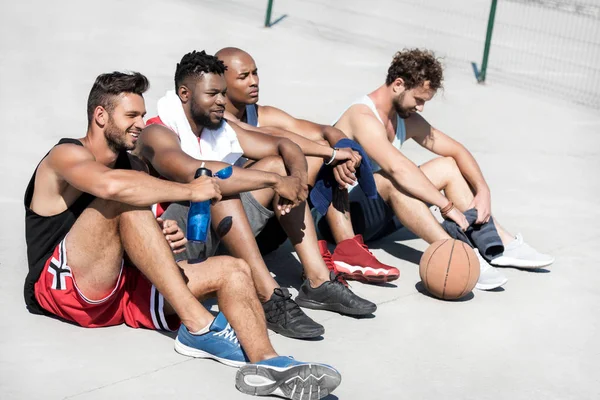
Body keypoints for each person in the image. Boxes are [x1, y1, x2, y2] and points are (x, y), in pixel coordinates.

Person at [23, 71, 341, 398]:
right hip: (62, 288)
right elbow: (111, 188)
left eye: (143, 115)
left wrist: (160, 231)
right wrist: (189, 191)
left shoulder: (130, 164)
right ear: (100, 116)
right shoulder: (65, 155)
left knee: (234, 270)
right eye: (131, 115)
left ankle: (269, 364)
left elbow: (128, 221)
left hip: (120, 289)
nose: (141, 123)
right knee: (122, 199)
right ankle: (200, 325)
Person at [136, 51, 376, 340]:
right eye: (212, 94)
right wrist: (276, 182)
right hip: (168, 249)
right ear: (184, 94)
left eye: (223, 93)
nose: (222, 102)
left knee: (274, 165)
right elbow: (195, 171)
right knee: (219, 185)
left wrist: (295, 180)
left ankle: (318, 282)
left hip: (209, 235)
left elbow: (285, 145)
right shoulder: (156, 133)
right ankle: (268, 295)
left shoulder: (218, 127)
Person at [319, 49, 554, 290]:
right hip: (339, 219)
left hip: (377, 213)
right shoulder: (362, 115)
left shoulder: (404, 118)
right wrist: (446, 206)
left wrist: (483, 190)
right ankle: (459, 254)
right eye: (418, 99)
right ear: (398, 85)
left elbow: (457, 151)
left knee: (448, 166)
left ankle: (499, 244)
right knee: (393, 178)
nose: (420, 108)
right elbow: (397, 168)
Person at [215, 47, 400, 284]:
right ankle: (320, 263)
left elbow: (325, 130)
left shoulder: (261, 113)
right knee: (295, 157)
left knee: (323, 151)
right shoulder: (216, 117)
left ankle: (347, 248)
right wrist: (332, 154)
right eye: (244, 76)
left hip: (274, 225)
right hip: (233, 233)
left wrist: (341, 147)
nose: (254, 81)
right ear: (220, 81)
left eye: (255, 73)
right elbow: (276, 136)